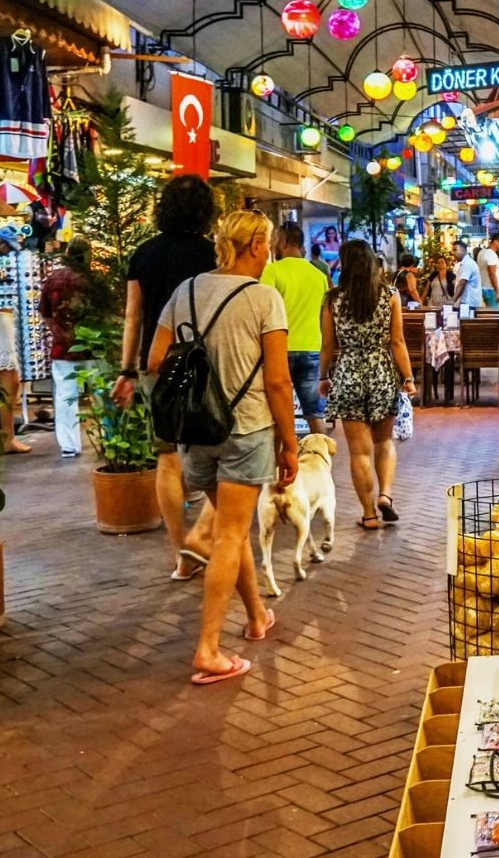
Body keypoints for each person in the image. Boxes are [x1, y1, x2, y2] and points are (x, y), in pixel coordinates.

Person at [145, 210, 301, 686]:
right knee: (230, 536)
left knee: (233, 531)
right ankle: (208, 649)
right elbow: (277, 381)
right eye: (267, 242)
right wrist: (290, 445)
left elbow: (155, 361)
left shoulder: (186, 291)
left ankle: (256, 615)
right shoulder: (263, 299)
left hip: (196, 431)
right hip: (245, 429)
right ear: (256, 244)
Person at [112, 174, 220, 579]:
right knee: (220, 449)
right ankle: (204, 534)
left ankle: (181, 553)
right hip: (205, 364)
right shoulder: (212, 255)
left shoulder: (143, 255)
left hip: (155, 366)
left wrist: (127, 369)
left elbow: (133, 316)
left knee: (167, 458)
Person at [321, 238, 417, 530]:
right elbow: (397, 341)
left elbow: (327, 344)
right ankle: (385, 495)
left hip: (348, 372)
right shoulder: (389, 295)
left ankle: (369, 514)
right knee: (383, 441)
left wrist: (323, 376)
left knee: (359, 451)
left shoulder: (333, 299)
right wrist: (408, 378)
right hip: (381, 372)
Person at [260, 221, 330, 438]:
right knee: (314, 413)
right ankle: (323, 463)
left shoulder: (271, 272)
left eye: (274, 242)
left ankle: (278, 467)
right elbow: (324, 318)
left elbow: (262, 311)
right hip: (311, 348)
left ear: (282, 243)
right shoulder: (319, 276)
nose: (272, 246)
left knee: (278, 413)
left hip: (279, 351)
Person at [40, 236, 99, 458]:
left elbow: (45, 313)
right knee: (102, 393)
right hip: (93, 346)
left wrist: (59, 332)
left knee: (66, 396)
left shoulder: (53, 279)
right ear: (87, 255)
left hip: (62, 348)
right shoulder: (93, 281)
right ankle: (111, 439)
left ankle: (68, 444)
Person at [0, 225, 34, 455]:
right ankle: (6, 437)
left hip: (1, 320)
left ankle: (5, 436)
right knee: (8, 379)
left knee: (9, 380)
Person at [452, 240, 483, 309]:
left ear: (463, 251)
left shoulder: (467, 264)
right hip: (467, 302)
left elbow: (462, 283)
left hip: (469, 303)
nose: (453, 253)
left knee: (466, 320)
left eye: (455, 250)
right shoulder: (464, 263)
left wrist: (452, 300)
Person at [477, 233, 499, 308]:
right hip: (492, 290)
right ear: (495, 242)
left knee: (489, 314)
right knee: (495, 316)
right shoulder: (490, 254)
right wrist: (497, 291)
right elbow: (492, 273)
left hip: (485, 288)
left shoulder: (482, 252)